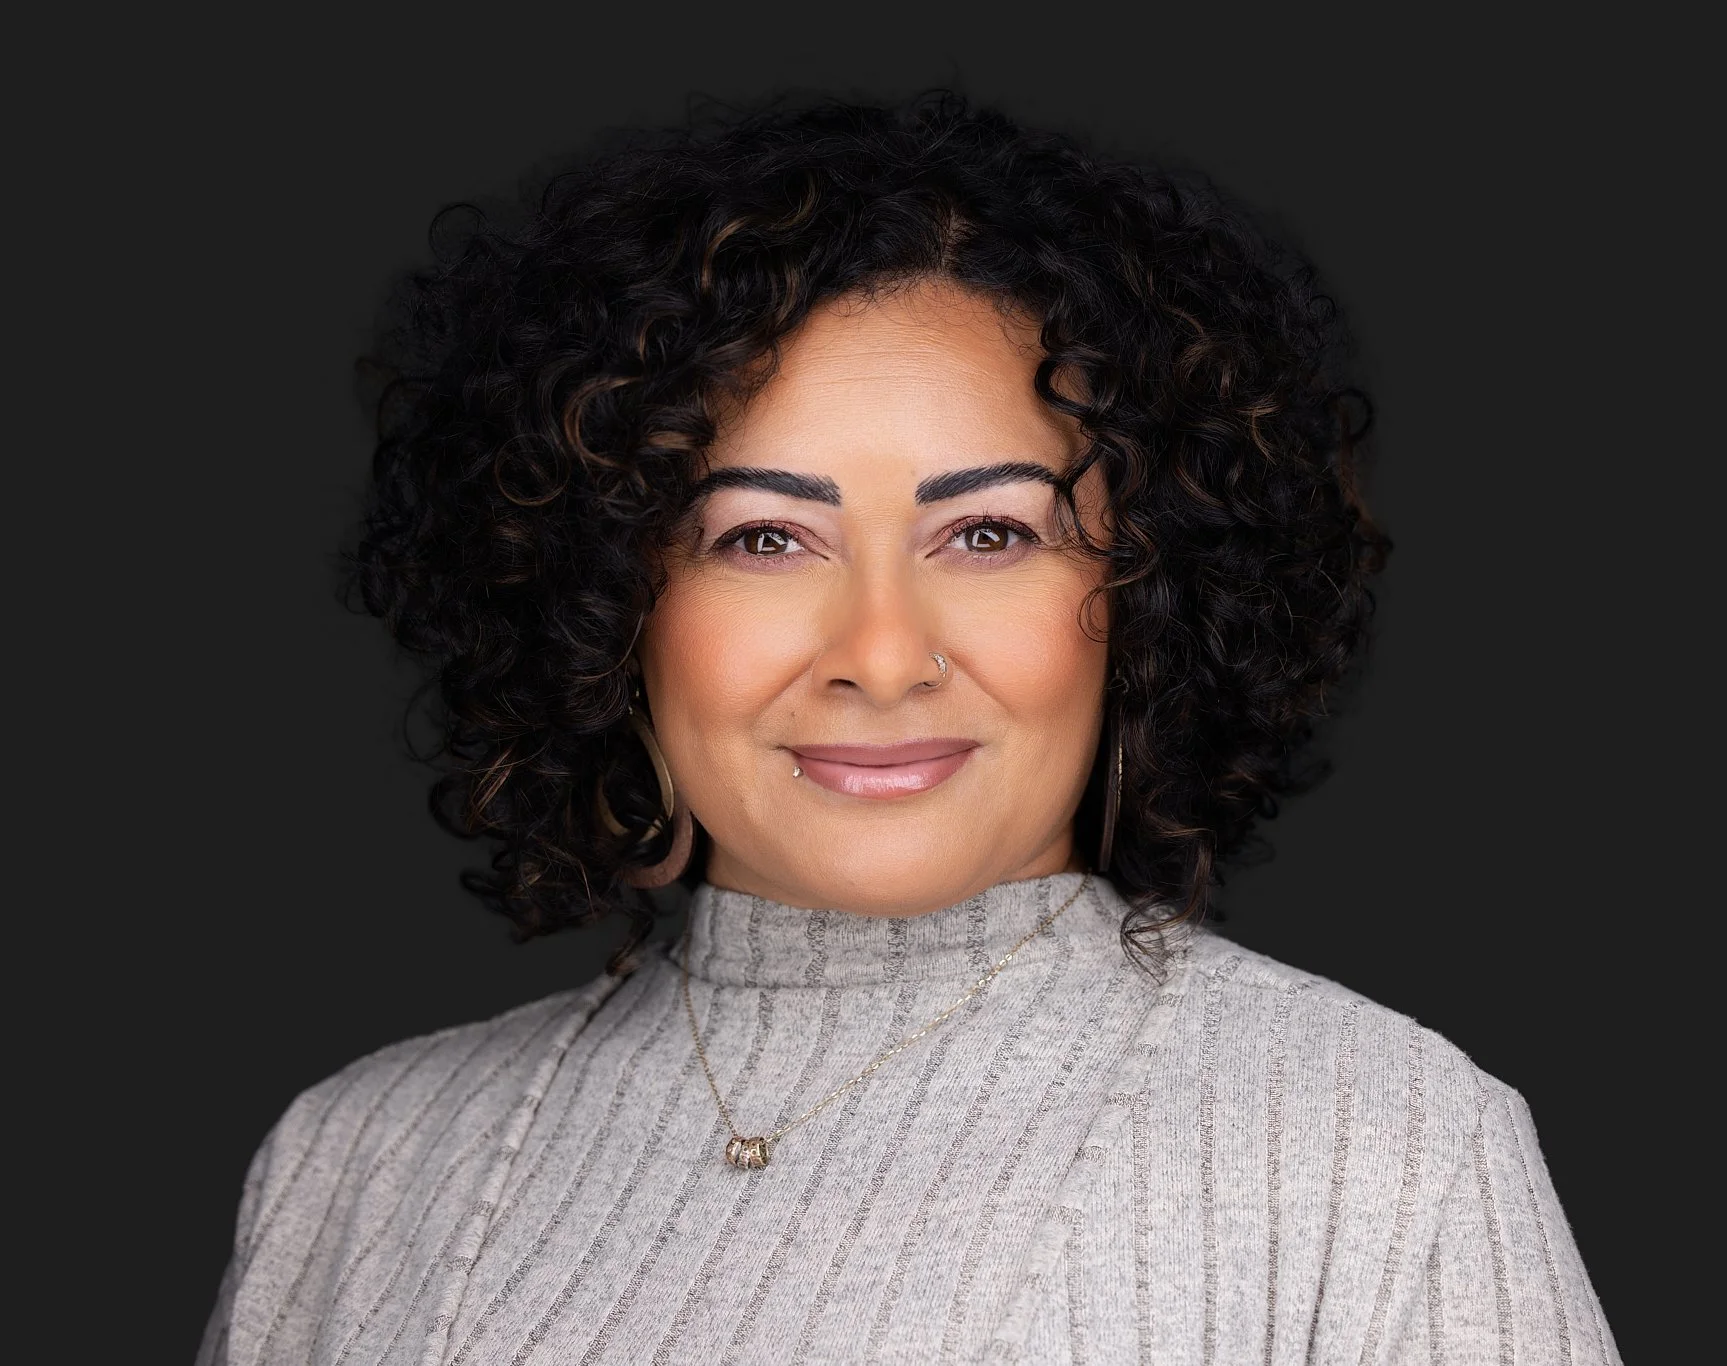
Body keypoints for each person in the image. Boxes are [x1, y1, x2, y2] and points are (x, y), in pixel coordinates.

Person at [196, 90, 1618, 1365]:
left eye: (989, 532)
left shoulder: (1383, 1147)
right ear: (603, 599)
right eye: (763, 538)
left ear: (1150, 591)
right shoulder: (353, 1163)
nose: (881, 656)